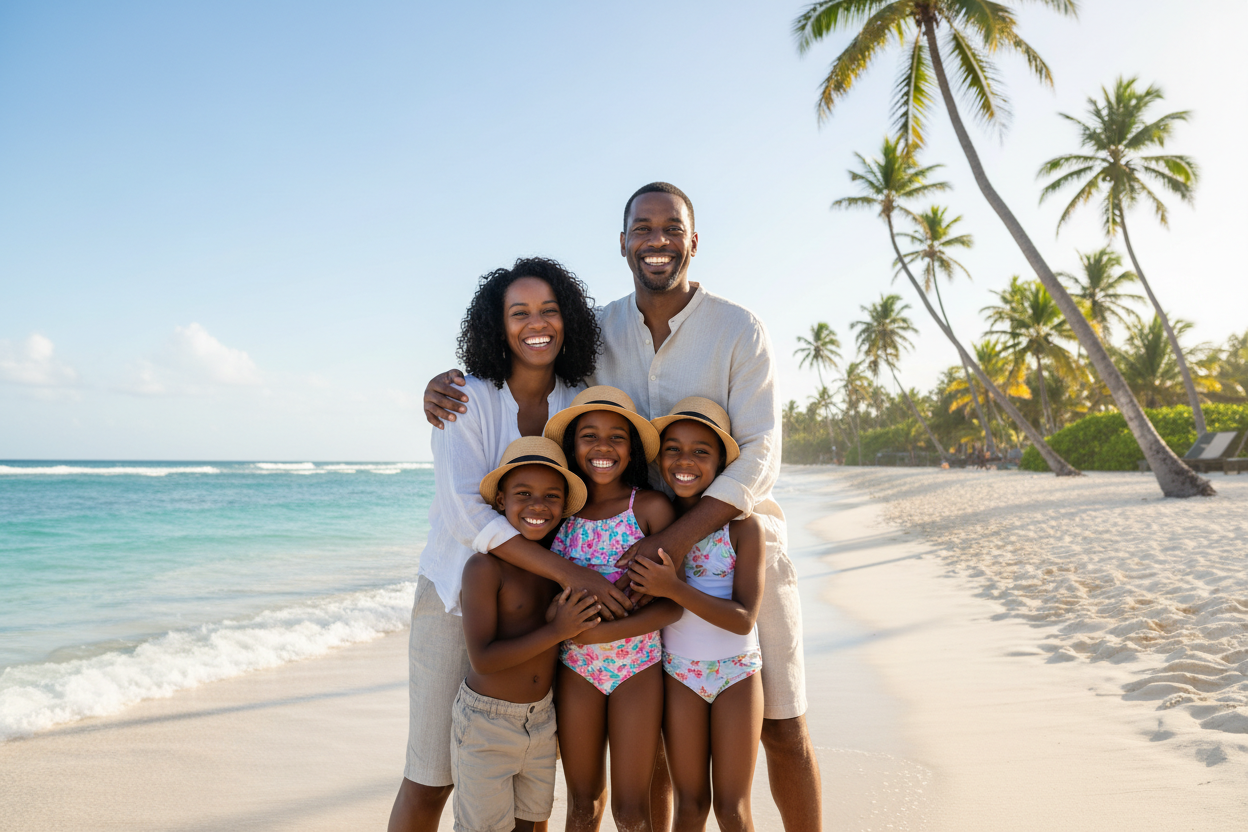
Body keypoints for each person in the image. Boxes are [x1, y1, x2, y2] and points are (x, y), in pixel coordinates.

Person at [424, 183, 824, 831]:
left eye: (672, 228)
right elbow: (539, 379)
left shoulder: (738, 329)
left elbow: (761, 455)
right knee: (657, 747)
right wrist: (448, 387)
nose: (657, 240)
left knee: (782, 723)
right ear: (623, 243)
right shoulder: (599, 328)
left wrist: (676, 541)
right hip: (627, 559)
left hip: (731, 543)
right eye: (643, 227)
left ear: (693, 241)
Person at [389, 258, 637, 832]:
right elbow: (465, 514)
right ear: (496, 326)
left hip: (546, 609)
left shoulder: (579, 402)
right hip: (455, 598)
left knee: (529, 792)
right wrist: (574, 575)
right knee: (430, 777)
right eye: (519, 312)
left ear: (568, 319)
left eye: (549, 310)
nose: (536, 323)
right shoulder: (465, 399)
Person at [542, 386, 682, 832]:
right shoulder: (559, 514)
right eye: (589, 435)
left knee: (630, 811)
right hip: (576, 670)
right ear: (571, 446)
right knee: (583, 806)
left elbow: (672, 607)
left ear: (633, 448)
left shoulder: (651, 509)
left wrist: (603, 633)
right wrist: (558, 622)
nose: (602, 447)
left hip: (637, 670)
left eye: (616, 436)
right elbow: (546, 604)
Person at [453, 436, 602, 832]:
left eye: (552, 496)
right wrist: (557, 629)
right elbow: (483, 658)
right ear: (501, 501)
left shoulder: (558, 563)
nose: (538, 505)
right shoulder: (484, 568)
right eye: (524, 494)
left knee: (533, 824)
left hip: (541, 720)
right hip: (487, 722)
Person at [630, 398, 766, 831]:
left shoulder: (743, 527)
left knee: (731, 808)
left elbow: (744, 618)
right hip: (679, 673)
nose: (684, 461)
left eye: (700, 451)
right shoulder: (659, 521)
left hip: (737, 674)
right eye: (672, 448)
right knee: (690, 805)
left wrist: (673, 588)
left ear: (723, 462)